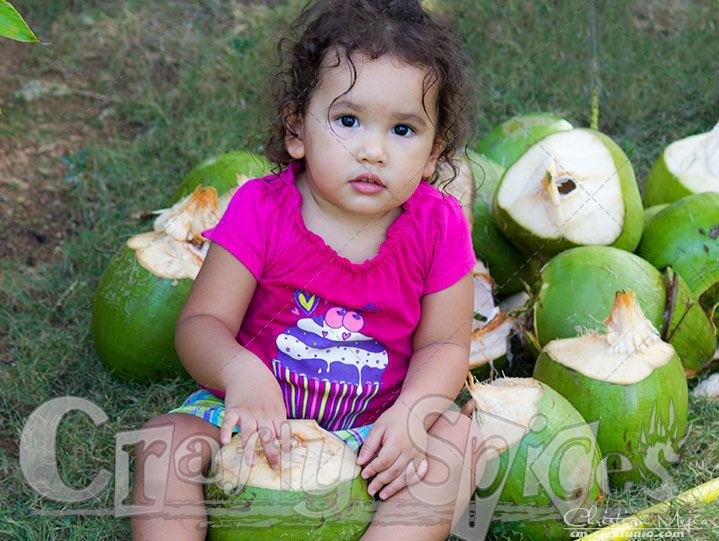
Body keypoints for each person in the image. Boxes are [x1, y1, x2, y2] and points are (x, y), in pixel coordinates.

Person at [131, 0, 486, 539]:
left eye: (404, 130)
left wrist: (412, 415)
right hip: (253, 424)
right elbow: (201, 325)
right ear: (297, 129)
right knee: (166, 442)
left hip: (372, 435)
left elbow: (444, 347)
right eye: (348, 121)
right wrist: (240, 374)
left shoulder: (439, 226)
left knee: (460, 439)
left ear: (434, 153)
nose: (373, 151)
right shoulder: (259, 208)